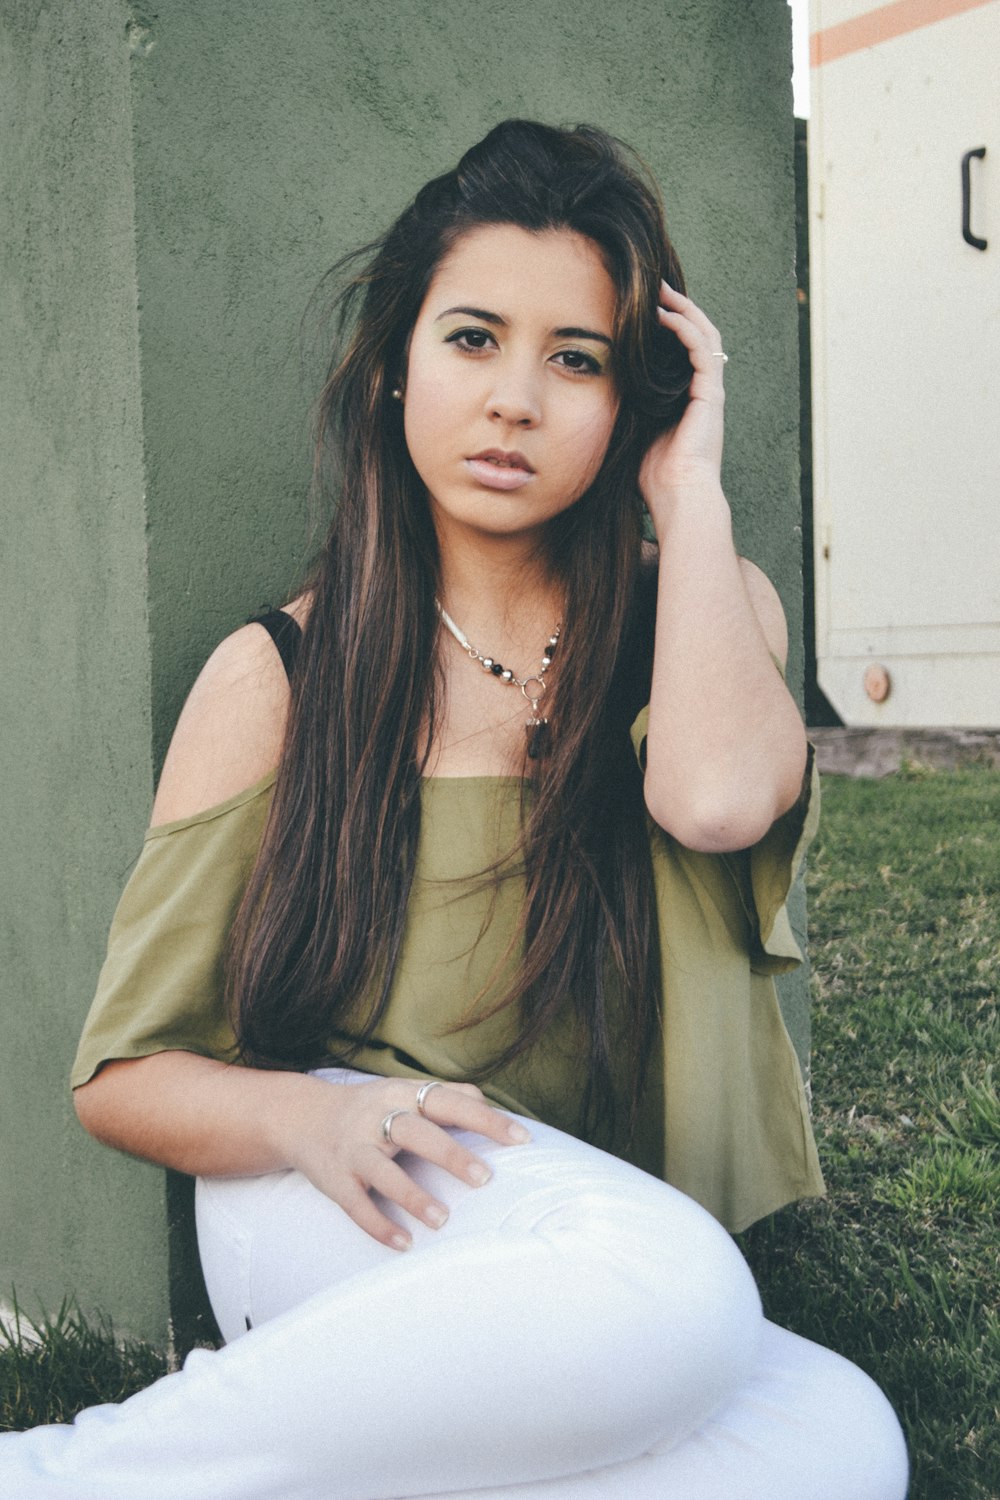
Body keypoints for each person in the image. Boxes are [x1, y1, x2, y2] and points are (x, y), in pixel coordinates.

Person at [1, 121, 908, 1498]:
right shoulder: (283, 677)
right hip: (331, 1184)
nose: (516, 401)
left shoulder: (706, 624)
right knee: (682, 1290)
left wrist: (696, 485)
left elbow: (718, 800)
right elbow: (119, 1078)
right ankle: (68, 1474)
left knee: (840, 1445)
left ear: (633, 405)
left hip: (580, 1243)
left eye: (578, 361)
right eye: (473, 339)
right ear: (394, 368)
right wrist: (319, 1127)